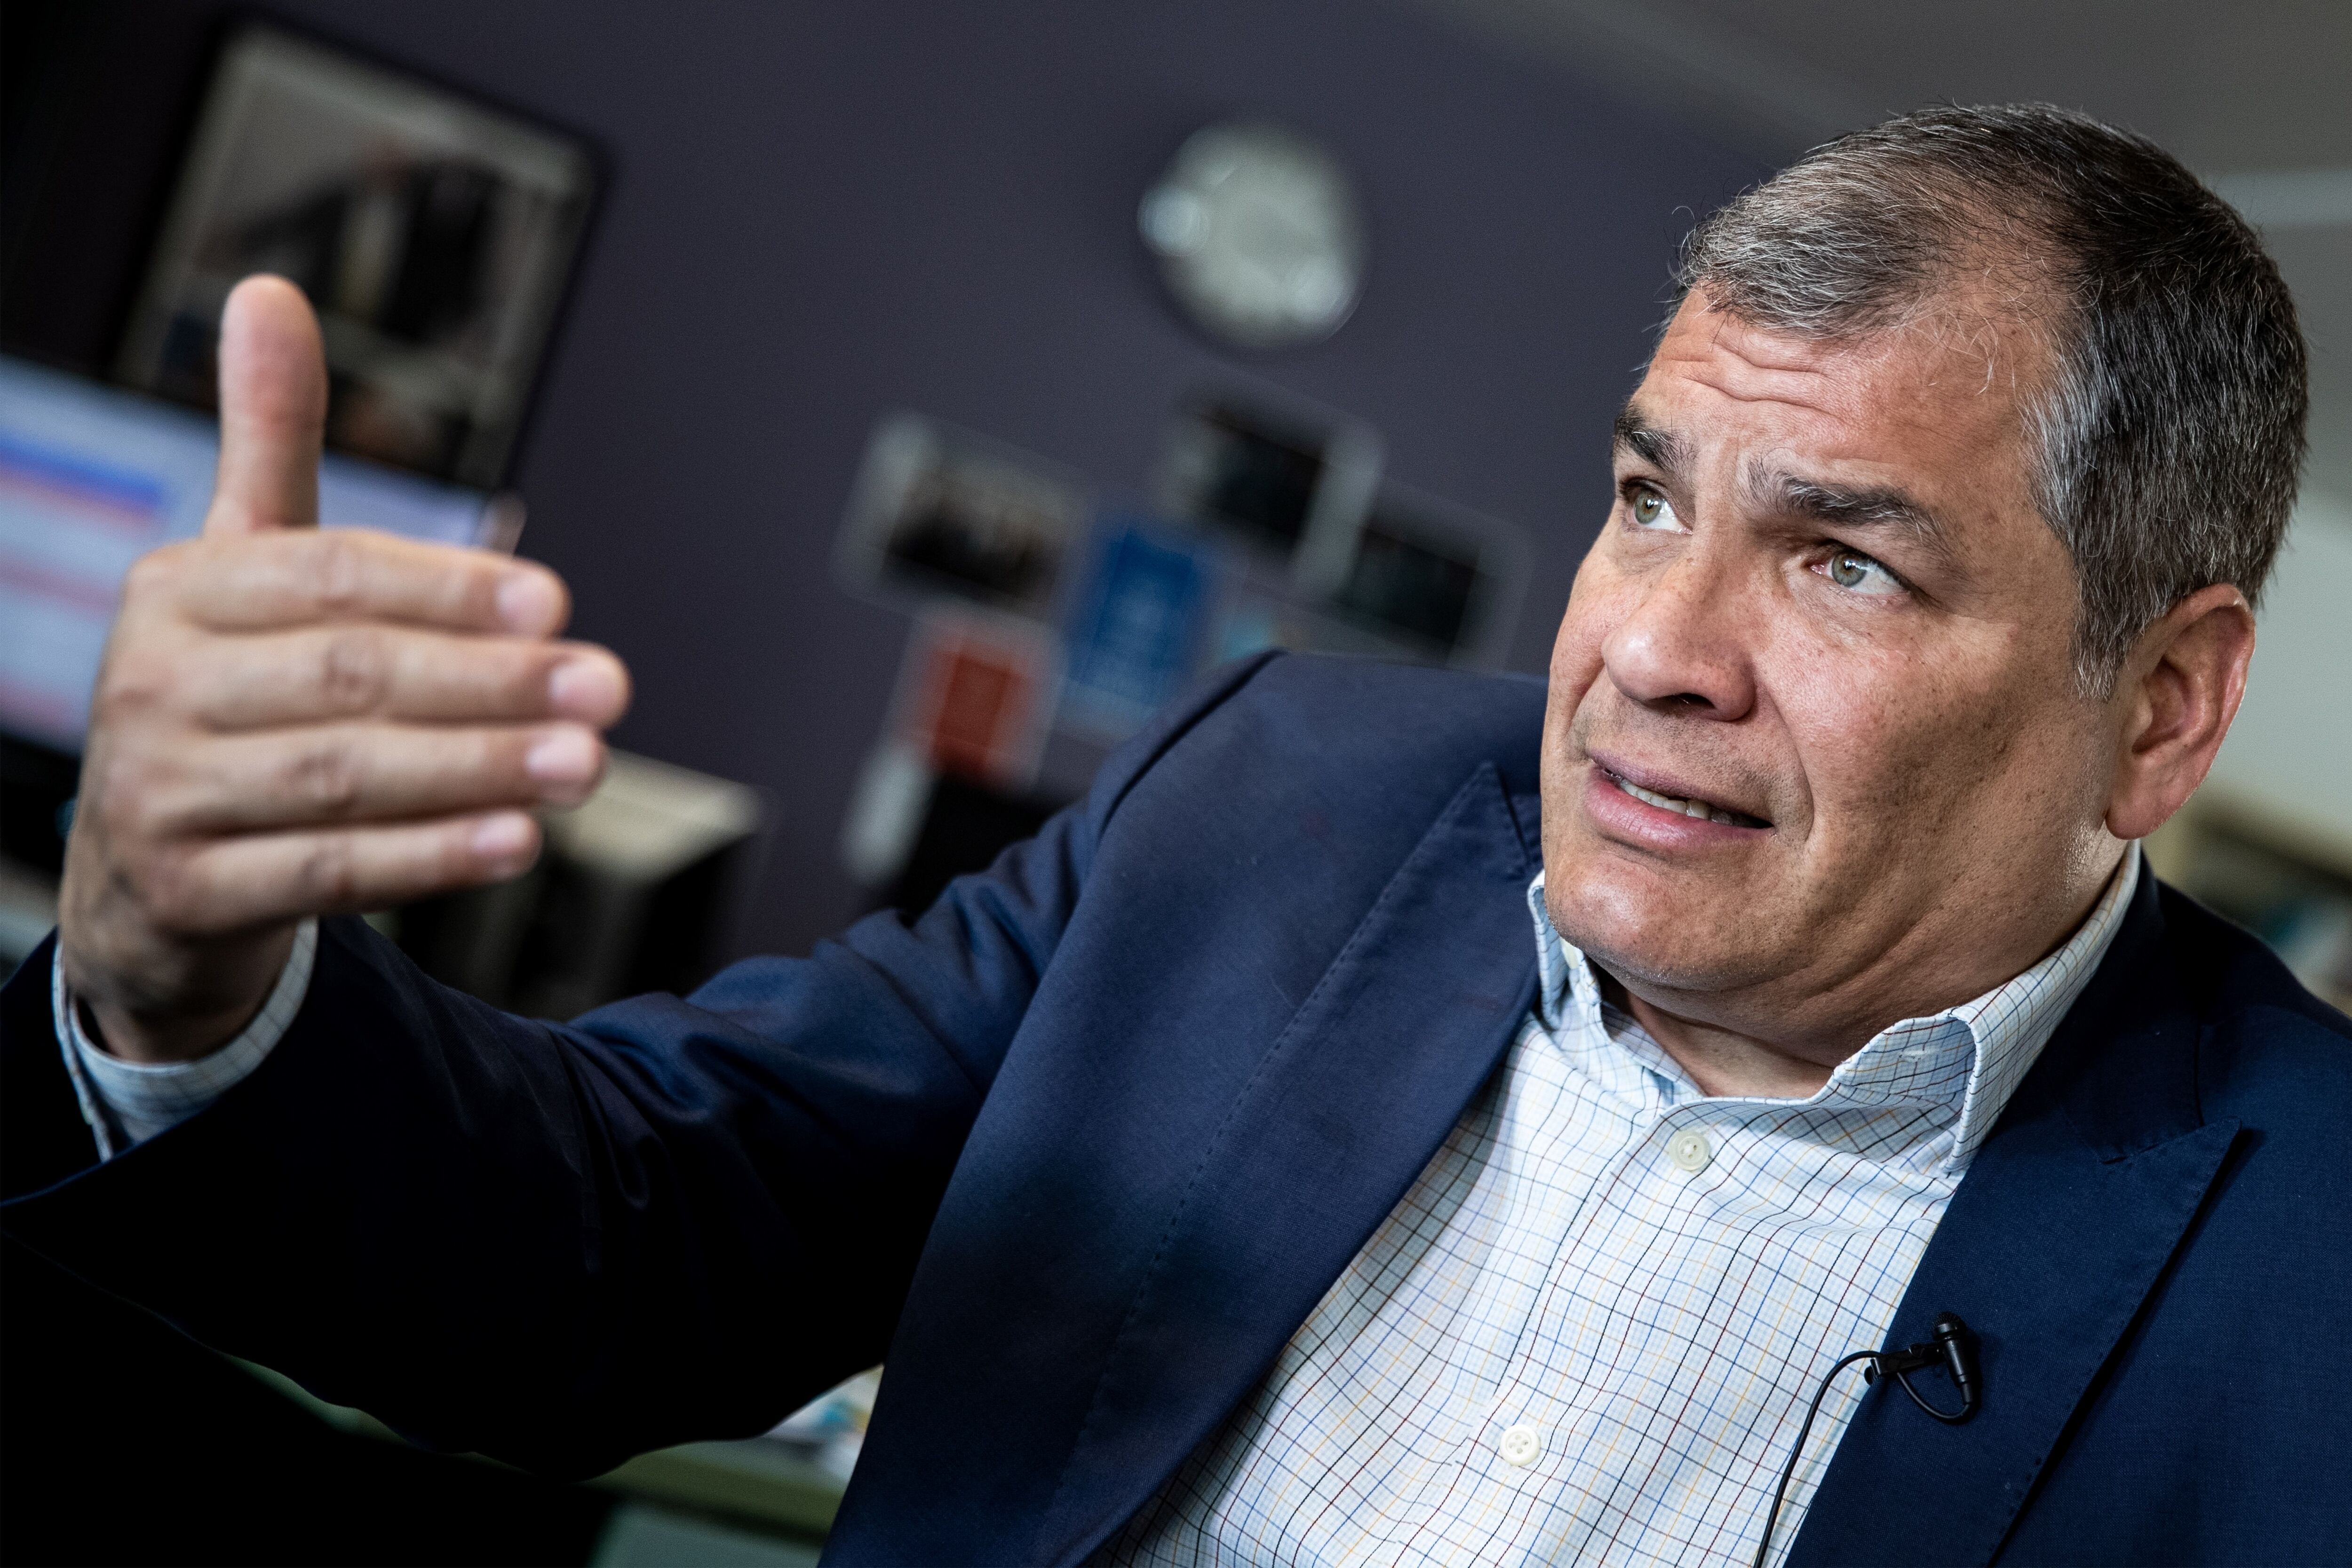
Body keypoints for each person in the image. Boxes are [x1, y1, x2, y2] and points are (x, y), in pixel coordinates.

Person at [4, 103, 2344, 1567]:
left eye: (1839, 563)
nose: (1651, 646)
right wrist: (181, 990)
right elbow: (628, 1242)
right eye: (1646, 501)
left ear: (2157, 706)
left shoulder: (2304, 1271)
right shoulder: (1284, 807)